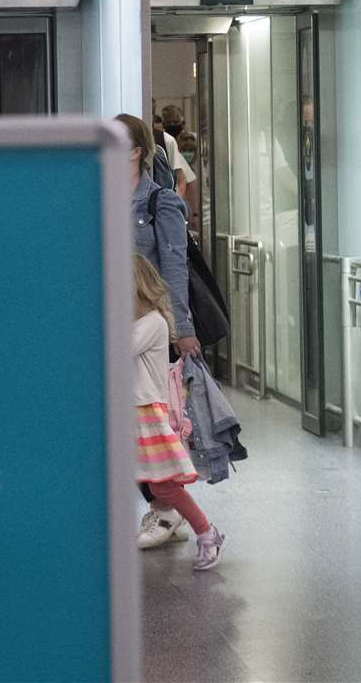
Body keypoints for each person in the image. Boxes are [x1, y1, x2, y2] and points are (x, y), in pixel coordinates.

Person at [117, 113, 202, 545]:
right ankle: (163, 508)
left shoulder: (160, 202)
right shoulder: (100, 198)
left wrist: (181, 328)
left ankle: (166, 510)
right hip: (113, 328)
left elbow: (174, 267)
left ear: (136, 151)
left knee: (152, 425)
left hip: (148, 330)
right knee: (124, 427)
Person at [129, 254, 225, 571]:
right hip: (132, 412)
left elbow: (118, 348)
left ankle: (206, 532)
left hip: (146, 414)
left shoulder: (152, 323)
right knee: (154, 484)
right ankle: (192, 527)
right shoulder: (143, 321)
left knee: (164, 485)